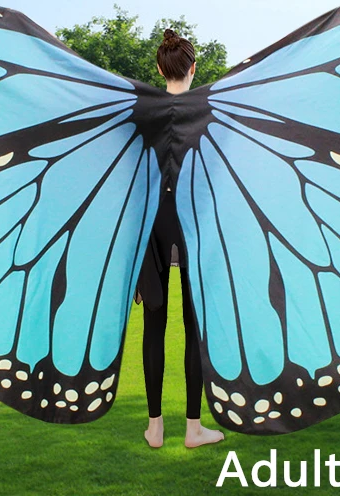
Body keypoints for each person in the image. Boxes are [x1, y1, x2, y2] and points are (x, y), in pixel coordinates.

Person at [136, 28, 225, 449]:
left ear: (159, 68)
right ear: (193, 68)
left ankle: (155, 427)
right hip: (193, 227)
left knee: (153, 326)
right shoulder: (209, 112)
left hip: (152, 229)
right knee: (194, 329)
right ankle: (193, 428)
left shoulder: (143, 113)